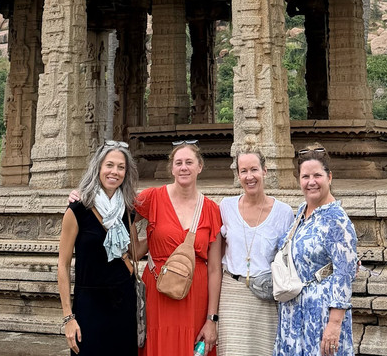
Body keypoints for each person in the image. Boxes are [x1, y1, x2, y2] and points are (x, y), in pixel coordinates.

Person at [137, 140, 223, 356]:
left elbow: (214, 269)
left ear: (199, 167)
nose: (184, 167)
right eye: (178, 163)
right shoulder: (151, 198)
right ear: (172, 168)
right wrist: (84, 197)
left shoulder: (212, 209)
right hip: (159, 292)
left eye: (189, 162)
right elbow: (116, 211)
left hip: (196, 297)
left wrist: (211, 319)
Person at [274, 144, 358, 356]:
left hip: (321, 316)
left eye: (317, 175)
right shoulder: (302, 213)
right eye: (305, 177)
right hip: (293, 313)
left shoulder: (336, 219)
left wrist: (334, 324)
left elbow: (344, 275)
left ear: (329, 177)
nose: (311, 182)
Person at [57, 140, 139, 355]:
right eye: (109, 165)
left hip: (123, 301)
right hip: (90, 304)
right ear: (98, 168)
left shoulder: (128, 209)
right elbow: (63, 265)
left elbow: (134, 252)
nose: (115, 172)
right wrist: (68, 318)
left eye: (121, 167)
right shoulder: (78, 209)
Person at [217, 146, 295, 356]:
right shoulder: (225, 207)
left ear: (265, 171)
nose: (249, 176)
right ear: (238, 174)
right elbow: (215, 258)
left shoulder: (284, 213)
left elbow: (291, 258)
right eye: (244, 171)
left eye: (254, 169)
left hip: (266, 296)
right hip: (232, 293)